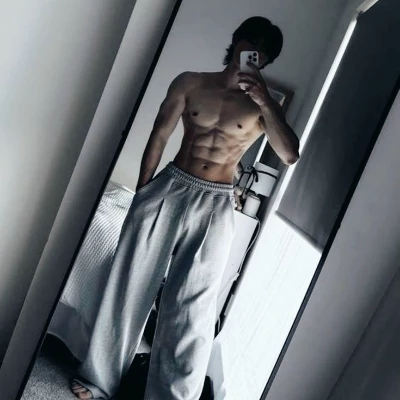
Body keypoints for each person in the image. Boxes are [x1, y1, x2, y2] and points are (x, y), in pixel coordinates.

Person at [71, 16, 299, 400]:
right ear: (237, 41)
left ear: (267, 60)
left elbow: (290, 154)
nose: (255, 53)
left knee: (192, 306)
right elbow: (159, 134)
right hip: (172, 184)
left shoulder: (264, 106)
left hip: (217, 200)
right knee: (130, 282)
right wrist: (143, 191)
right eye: (252, 42)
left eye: (264, 51)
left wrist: (264, 100)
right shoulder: (191, 82)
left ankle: (171, 396)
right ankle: (99, 380)